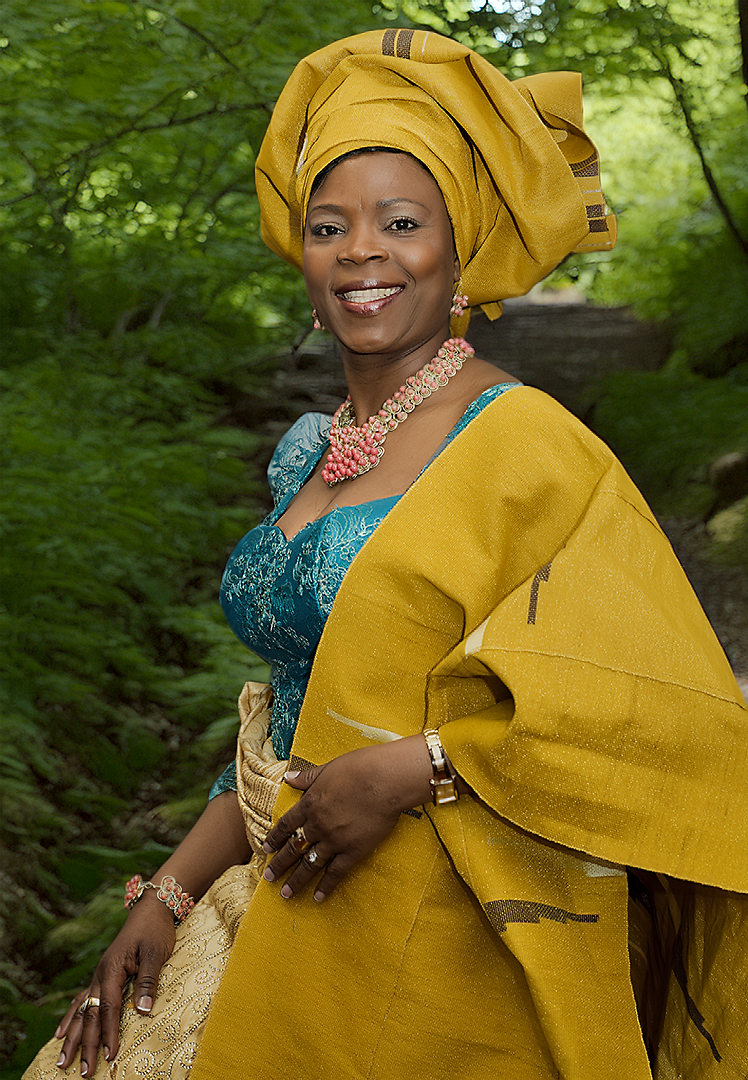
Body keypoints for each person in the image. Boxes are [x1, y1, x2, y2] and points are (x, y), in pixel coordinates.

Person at [25, 28, 748, 1080]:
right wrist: (169, 895)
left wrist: (419, 766)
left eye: (401, 223)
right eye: (330, 226)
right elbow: (291, 707)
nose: (362, 250)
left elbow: (662, 711)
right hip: (272, 884)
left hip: (441, 937)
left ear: (459, 255)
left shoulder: (528, 445)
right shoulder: (309, 453)